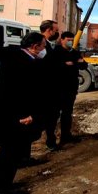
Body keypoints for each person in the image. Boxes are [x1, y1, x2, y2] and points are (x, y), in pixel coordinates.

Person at [0, 32, 46, 194]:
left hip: (12, 117)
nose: (43, 49)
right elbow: (16, 92)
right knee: (10, 154)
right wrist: (24, 115)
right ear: (34, 47)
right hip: (16, 119)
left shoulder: (16, 58)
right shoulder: (21, 63)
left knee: (9, 153)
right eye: (42, 46)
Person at [51, 31, 88, 144]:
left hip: (71, 87)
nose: (70, 42)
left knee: (67, 113)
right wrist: (65, 64)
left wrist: (74, 63)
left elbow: (84, 65)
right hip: (58, 88)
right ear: (62, 40)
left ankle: (66, 136)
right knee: (54, 114)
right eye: (68, 40)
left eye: (72, 40)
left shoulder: (74, 52)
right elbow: (53, 66)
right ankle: (51, 139)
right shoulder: (55, 52)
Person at [39, 20, 60, 150]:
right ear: (49, 30)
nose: (57, 33)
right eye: (56, 30)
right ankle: (24, 156)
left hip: (51, 89)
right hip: (43, 89)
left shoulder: (48, 44)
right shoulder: (39, 45)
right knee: (45, 117)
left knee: (52, 117)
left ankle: (51, 141)